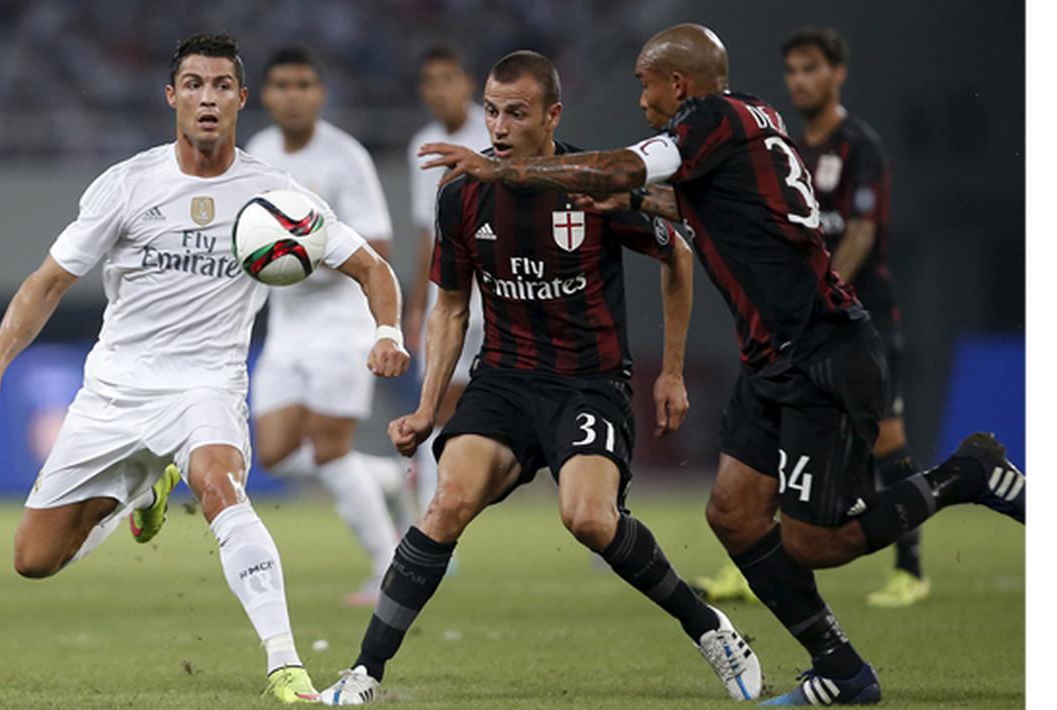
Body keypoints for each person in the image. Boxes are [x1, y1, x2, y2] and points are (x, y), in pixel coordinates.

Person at [418, 23, 1025, 706]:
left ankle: (965, 474)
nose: (641, 100)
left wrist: (510, 171)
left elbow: (622, 167)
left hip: (822, 350)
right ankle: (840, 668)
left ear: (677, 84)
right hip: (771, 360)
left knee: (816, 541)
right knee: (733, 515)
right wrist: (628, 199)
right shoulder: (748, 120)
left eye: (646, 85)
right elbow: (701, 203)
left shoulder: (707, 117)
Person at [0, 33, 410, 704]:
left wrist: (388, 330)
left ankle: (286, 668)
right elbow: (47, 282)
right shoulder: (128, 184)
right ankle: (144, 490)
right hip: (117, 386)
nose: (207, 97)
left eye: (221, 85)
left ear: (240, 99)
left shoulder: (274, 197)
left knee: (221, 484)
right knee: (34, 561)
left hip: (207, 383)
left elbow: (370, 265)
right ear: (172, 96)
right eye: (193, 84)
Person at [320, 50, 761, 706]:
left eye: (516, 113)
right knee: (445, 506)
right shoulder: (463, 196)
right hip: (502, 382)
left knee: (586, 518)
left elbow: (678, 257)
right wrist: (426, 407)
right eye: (492, 112)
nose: (497, 127)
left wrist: (669, 371)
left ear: (551, 116)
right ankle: (364, 674)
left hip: (588, 383)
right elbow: (449, 305)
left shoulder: (593, 186)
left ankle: (709, 628)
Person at [695, 26, 927, 610]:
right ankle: (749, 564)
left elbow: (865, 231)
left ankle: (912, 569)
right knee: (766, 447)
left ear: (837, 73)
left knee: (888, 444)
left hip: (852, 322)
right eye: (793, 70)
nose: (801, 80)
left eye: (812, 68)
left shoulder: (858, 146)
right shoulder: (787, 147)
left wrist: (819, 298)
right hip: (797, 333)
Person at [245, 45, 415, 607]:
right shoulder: (259, 152)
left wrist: (304, 253)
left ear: (320, 93)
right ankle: (388, 480)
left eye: (304, 85)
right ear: (264, 95)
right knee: (273, 453)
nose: (293, 95)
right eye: (282, 85)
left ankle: (389, 568)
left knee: (328, 450)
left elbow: (379, 248)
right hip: (288, 325)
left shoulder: (346, 157)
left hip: (343, 320)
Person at [403, 45, 489, 513]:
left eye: (448, 78)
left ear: (467, 82)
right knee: (433, 411)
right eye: (430, 81)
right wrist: (417, 305)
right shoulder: (422, 142)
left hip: (498, 296)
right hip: (448, 298)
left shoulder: (494, 132)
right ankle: (433, 521)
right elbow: (427, 235)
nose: (440, 90)